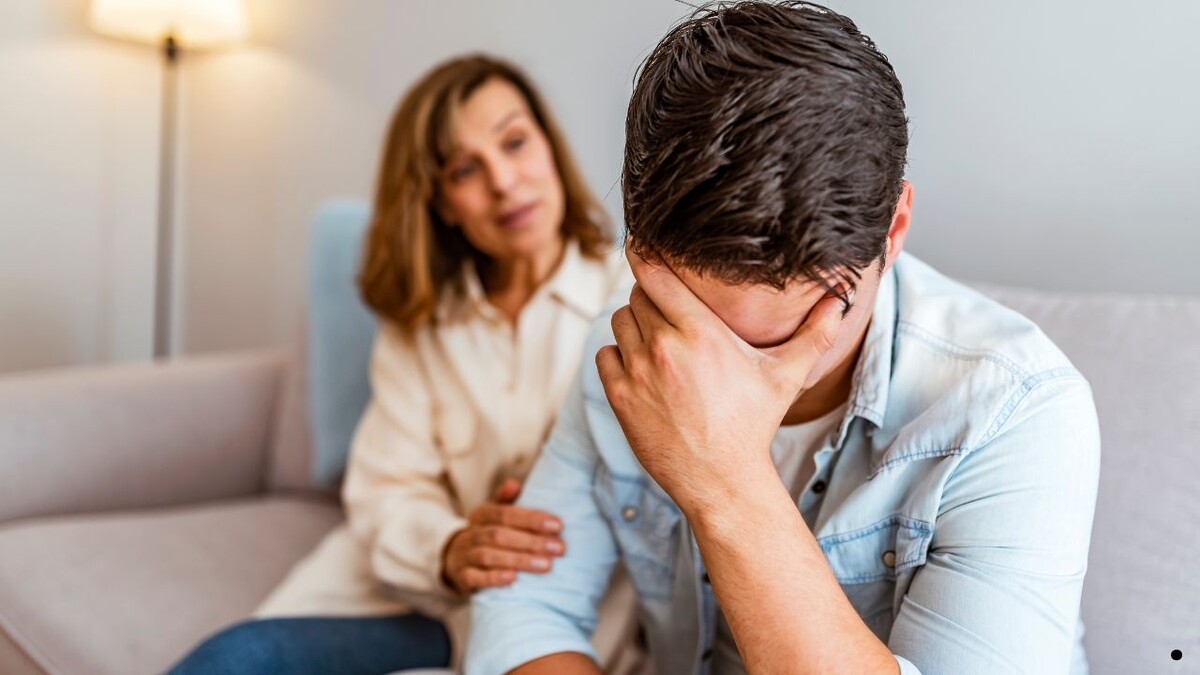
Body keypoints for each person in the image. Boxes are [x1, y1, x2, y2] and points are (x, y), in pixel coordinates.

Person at [466, 3, 1101, 674]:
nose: (741, 371)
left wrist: (726, 478)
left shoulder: (1016, 409)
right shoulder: (638, 354)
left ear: (892, 231)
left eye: (803, 329)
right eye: (705, 325)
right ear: (641, 253)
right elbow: (525, 613)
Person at [168, 54, 638, 674]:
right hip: (412, 598)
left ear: (549, 144)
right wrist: (452, 548)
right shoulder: (422, 323)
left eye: (515, 142)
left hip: (548, 620)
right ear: (441, 202)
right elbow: (387, 489)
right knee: (235, 659)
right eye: (465, 169)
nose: (503, 182)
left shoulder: (631, 303)